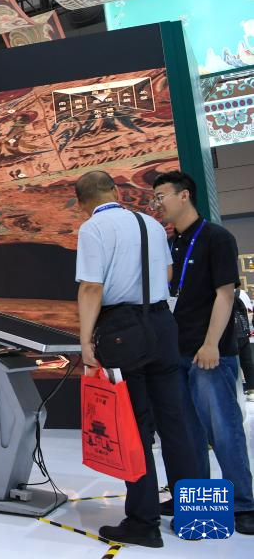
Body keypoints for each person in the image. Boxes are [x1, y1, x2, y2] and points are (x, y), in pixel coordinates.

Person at [75, 171, 199, 547]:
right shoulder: (150, 224)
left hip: (124, 329)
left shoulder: (92, 229)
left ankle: (143, 522)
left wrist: (85, 341)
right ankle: (193, 511)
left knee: (135, 426)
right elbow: (167, 272)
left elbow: (92, 287)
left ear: (81, 204)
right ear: (115, 191)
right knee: (174, 420)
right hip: (163, 323)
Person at [151, 170, 254, 535]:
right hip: (174, 353)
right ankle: (192, 497)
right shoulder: (169, 244)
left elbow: (225, 295)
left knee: (223, 429)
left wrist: (211, 344)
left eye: (161, 196)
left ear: (184, 196)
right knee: (186, 432)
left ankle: (243, 502)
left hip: (209, 353)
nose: (157, 204)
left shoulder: (216, 238)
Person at [236, 288, 254, 400]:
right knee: (247, 363)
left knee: (232, 364)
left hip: (229, 336)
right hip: (243, 333)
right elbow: (249, 312)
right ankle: (252, 389)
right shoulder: (241, 293)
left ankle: (236, 391)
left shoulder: (217, 293)